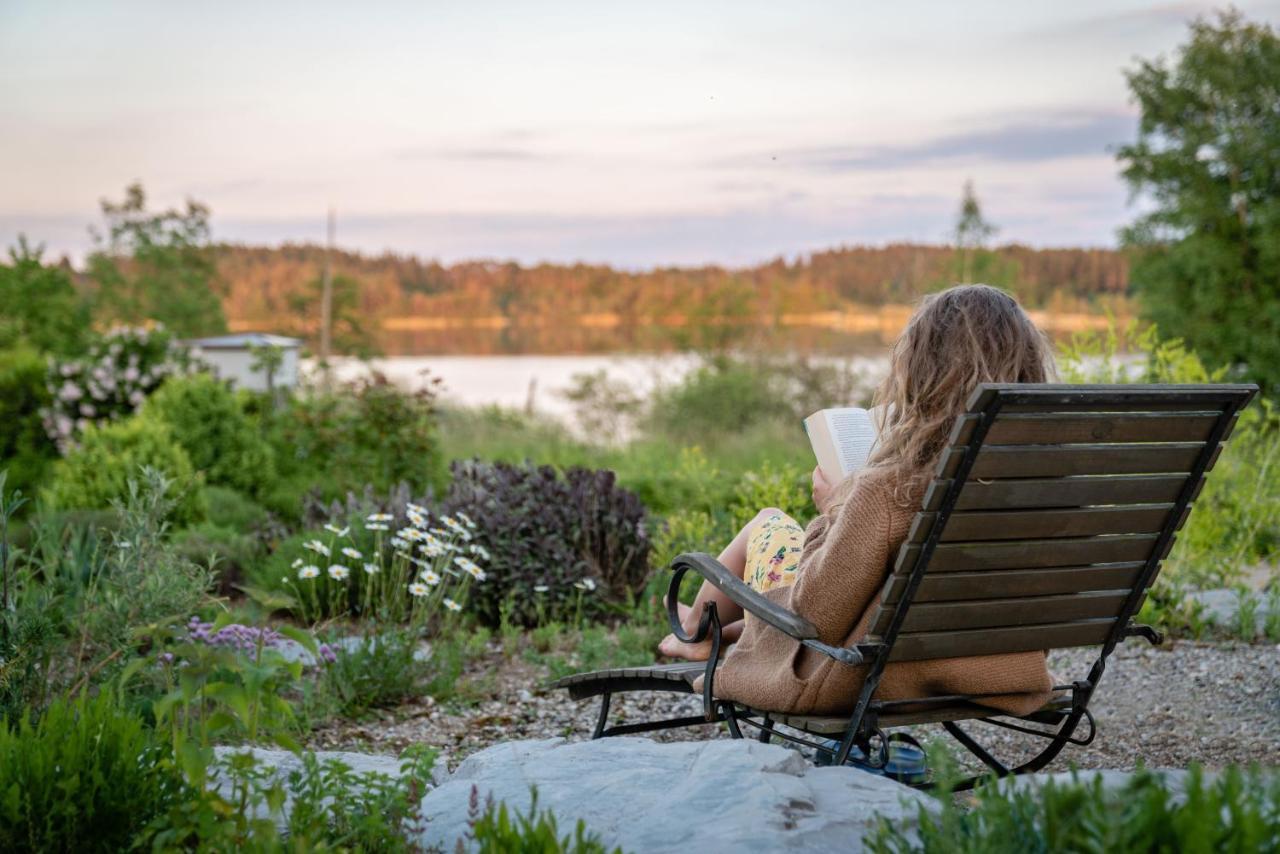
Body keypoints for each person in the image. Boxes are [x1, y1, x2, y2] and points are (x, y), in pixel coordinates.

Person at [659, 284, 1056, 717]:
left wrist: (837, 507)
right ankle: (726, 627)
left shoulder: (887, 492)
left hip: (867, 673)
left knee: (769, 524)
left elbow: (815, 617)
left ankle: (697, 629)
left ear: (921, 374)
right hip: (1001, 667)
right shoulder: (1048, 484)